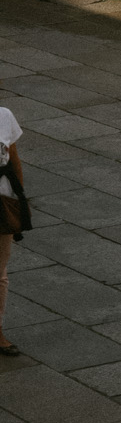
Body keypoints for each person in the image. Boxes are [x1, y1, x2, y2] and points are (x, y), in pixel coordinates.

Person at [0, 96, 26, 357]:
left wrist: (20, 199)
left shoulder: (4, 116)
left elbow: (14, 159)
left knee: (0, 273)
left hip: (2, 203)